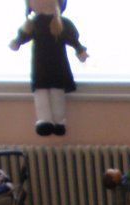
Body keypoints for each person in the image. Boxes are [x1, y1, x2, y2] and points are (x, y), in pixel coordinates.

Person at [9, 0, 88, 137]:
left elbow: (73, 40)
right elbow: (21, 37)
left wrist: (80, 51)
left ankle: (59, 121)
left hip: (57, 64)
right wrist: (16, 42)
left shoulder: (62, 23)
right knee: (41, 92)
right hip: (40, 65)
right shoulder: (33, 24)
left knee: (57, 92)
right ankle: (45, 120)